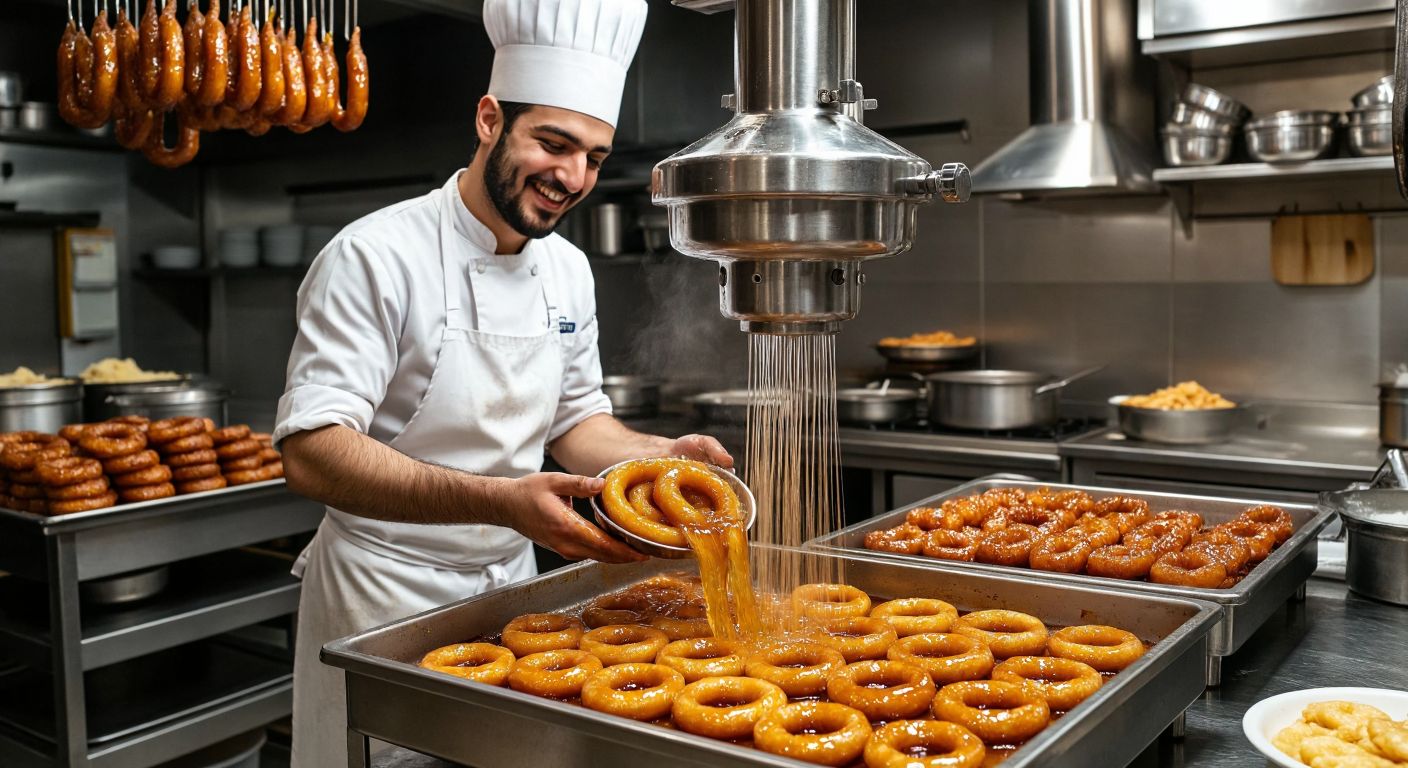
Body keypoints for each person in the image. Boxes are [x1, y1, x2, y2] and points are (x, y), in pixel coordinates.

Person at [272, 1, 731, 763]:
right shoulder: (374, 257)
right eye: (553, 143)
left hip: (512, 598)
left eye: (593, 155)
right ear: (489, 119)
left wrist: (654, 458)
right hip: (383, 595)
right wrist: (501, 502)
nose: (573, 177)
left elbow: (578, 421)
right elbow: (311, 452)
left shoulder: (567, 269)